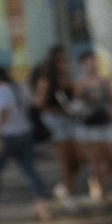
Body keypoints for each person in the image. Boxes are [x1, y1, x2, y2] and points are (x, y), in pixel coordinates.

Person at [0, 65, 52, 224]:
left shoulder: (1, 91)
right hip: (24, 134)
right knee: (29, 170)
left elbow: (2, 113)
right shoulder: (19, 89)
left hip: (6, 136)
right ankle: (41, 204)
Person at [32, 47, 84, 210]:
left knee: (79, 158)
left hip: (70, 121)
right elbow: (39, 104)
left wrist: (76, 106)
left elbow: (75, 99)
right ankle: (70, 195)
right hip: (55, 121)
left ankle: (63, 187)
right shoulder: (46, 82)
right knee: (66, 160)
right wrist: (60, 110)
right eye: (60, 61)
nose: (64, 64)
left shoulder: (68, 80)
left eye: (65, 60)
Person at [71, 51, 112, 208]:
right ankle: (103, 191)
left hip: (106, 123)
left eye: (93, 61)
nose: (91, 64)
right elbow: (76, 106)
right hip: (90, 125)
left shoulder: (105, 81)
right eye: (87, 62)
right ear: (82, 65)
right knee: (96, 159)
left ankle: (95, 179)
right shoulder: (80, 84)